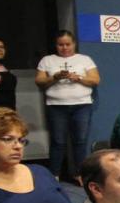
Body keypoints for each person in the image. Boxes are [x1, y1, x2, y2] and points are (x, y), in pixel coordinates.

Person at [35, 30, 99, 179]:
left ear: (74, 44)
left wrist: (78, 78)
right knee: (58, 141)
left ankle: (80, 175)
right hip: (56, 106)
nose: (64, 47)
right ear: (56, 46)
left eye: (67, 44)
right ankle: (54, 175)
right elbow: (39, 81)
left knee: (80, 141)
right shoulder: (47, 60)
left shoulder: (85, 59)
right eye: (60, 45)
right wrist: (55, 77)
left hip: (82, 105)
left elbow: (95, 80)